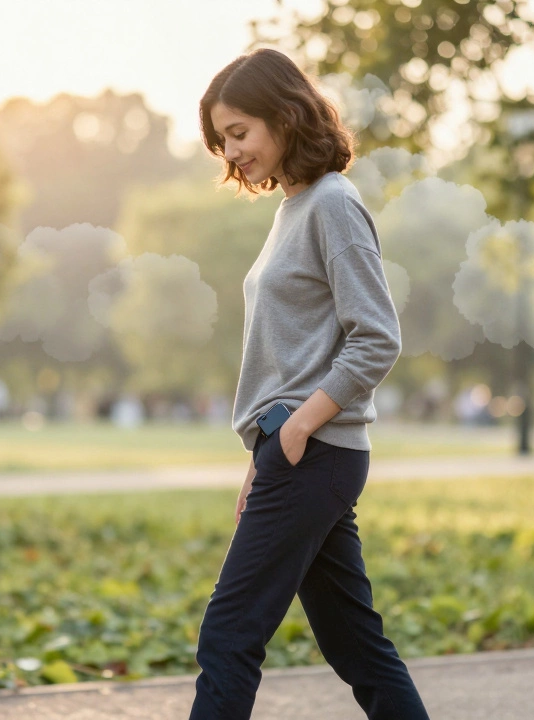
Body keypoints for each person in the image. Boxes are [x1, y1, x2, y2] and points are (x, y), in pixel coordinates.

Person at [190, 48, 431, 720]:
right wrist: (262, 453)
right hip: (295, 454)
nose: (232, 154)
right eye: (222, 142)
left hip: (313, 449)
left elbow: (377, 335)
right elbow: (287, 360)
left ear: (285, 115)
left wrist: (297, 425)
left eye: (239, 133)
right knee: (357, 646)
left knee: (229, 635)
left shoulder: (332, 204)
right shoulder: (293, 210)